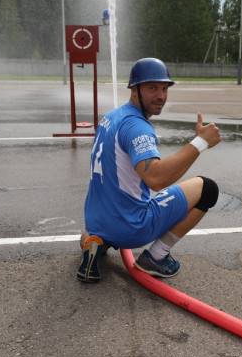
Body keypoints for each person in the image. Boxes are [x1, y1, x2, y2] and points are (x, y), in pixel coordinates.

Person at [77, 58, 222, 283]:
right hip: (130, 227)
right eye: (152, 88)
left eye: (164, 88)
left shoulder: (110, 117)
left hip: (95, 221)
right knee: (208, 189)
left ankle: (92, 243)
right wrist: (200, 143)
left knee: (98, 225)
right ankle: (156, 256)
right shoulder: (137, 127)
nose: (161, 96)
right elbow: (156, 178)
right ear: (135, 90)